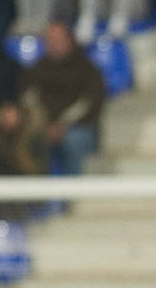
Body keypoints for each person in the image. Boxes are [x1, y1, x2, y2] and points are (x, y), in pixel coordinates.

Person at [19, 19, 106, 175]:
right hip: (43, 125)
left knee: (75, 140)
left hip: (77, 126)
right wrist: (44, 124)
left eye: (59, 39)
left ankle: (76, 189)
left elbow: (90, 103)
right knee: (26, 137)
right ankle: (34, 188)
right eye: (50, 40)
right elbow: (29, 101)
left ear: (69, 40)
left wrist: (61, 125)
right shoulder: (35, 70)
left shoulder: (87, 69)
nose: (54, 44)